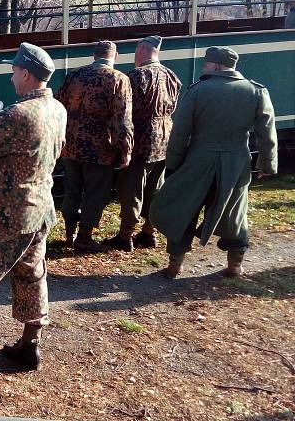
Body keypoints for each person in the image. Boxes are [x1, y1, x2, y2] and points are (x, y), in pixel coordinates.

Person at [0, 43, 65, 376]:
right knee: (31, 273)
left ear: (27, 74)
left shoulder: (16, 115)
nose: (12, 76)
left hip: (8, 214)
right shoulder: (58, 109)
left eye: (15, 71)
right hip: (41, 208)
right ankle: (30, 344)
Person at [149, 47, 277, 278]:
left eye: (207, 63)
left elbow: (180, 132)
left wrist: (173, 163)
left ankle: (174, 265)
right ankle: (235, 266)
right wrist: (267, 165)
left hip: (198, 159)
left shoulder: (198, 90)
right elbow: (267, 132)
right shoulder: (256, 91)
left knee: (184, 209)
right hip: (236, 162)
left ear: (216, 65)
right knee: (235, 213)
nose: (204, 66)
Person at [104, 36, 181, 252]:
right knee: (156, 188)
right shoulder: (171, 76)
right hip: (165, 137)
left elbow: (125, 113)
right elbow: (173, 107)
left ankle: (125, 235)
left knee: (132, 188)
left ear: (140, 51)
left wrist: (120, 141)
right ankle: (149, 232)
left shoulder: (135, 76)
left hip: (141, 139)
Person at [57, 40, 133, 252]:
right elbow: (122, 120)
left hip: (70, 144)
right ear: (115, 57)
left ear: (94, 55)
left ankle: (69, 233)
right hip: (100, 148)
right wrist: (125, 150)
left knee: (72, 189)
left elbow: (59, 105)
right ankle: (84, 238)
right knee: (95, 192)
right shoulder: (119, 79)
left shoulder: (74, 75)